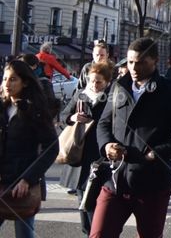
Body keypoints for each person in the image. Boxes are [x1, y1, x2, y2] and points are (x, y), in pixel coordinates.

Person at [90, 37, 171, 238]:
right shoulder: (118, 87)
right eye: (130, 62)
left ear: (154, 61)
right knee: (99, 234)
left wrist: (157, 153)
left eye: (140, 62)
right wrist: (107, 145)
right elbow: (103, 123)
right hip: (115, 180)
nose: (134, 67)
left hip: (152, 183)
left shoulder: (170, 90)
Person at [0, 59, 59, 238]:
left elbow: (51, 148)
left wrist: (28, 179)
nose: (7, 84)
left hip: (23, 181)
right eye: (4, 79)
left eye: (13, 79)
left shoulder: (35, 110)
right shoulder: (1, 108)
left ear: (25, 82)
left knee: (24, 232)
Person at [64, 61, 114, 235]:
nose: (93, 84)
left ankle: (96, 232)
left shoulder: (112, 98)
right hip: (80, 154)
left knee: (98, 201)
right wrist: (73, 117)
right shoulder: (80, 94)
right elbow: (64, 116)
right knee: (82, 199)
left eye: (98, 81)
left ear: (107, 82)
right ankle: (88, 232)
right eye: (91, 80)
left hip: (101, 156)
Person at [18, 53, 61, 122]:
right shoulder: (23, 79)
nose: (22, 69)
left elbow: (50, 105)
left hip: (36, 123)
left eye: (25, 66)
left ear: (34, 66)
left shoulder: (43, 82)